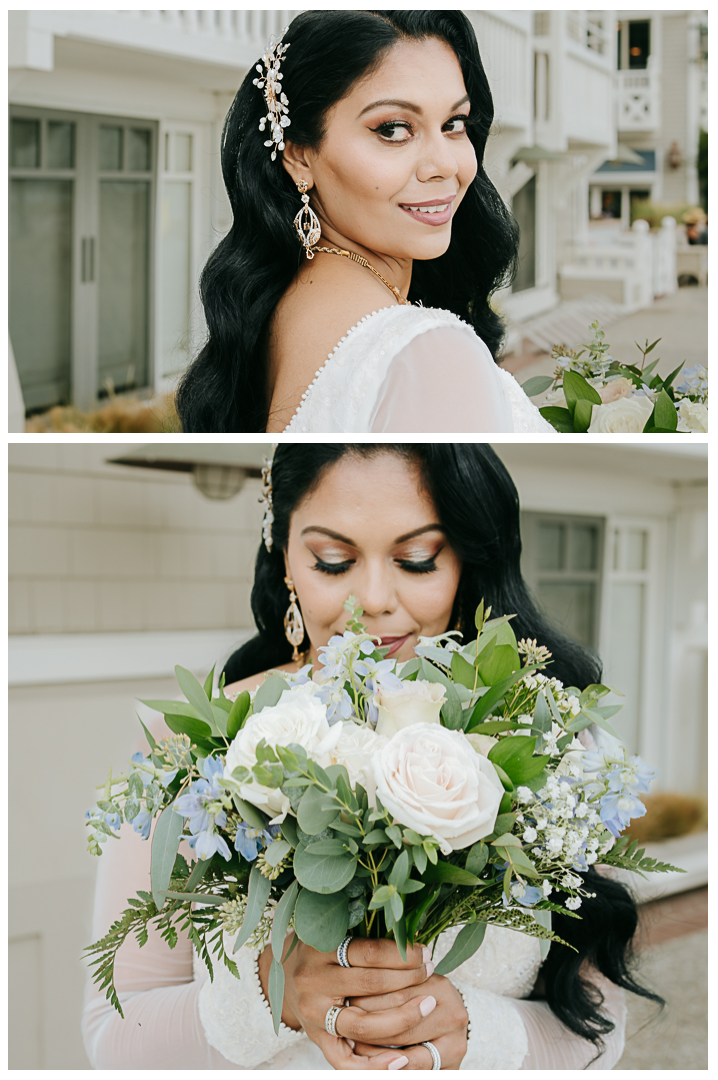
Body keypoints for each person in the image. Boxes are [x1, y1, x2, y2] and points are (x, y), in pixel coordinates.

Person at [83, 444, 661, 1070]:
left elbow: (600, 1031)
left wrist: (474, 1030)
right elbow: (113, 1039)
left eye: (416, 560)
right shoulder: (197, 749)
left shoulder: (543, 742)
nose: (375, 599)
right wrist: (273, 996)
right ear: (284, 559)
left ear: (466, 558)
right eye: (334, 562)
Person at [175, 12, 553, 435]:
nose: (445, 165)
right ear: (299, 155)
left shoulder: (279, 311)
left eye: (454, 124)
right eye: (393, 130)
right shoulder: (428, 352)